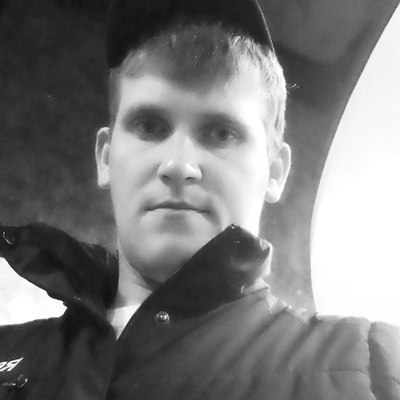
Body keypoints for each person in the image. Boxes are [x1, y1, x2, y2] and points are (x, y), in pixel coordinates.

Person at [0, 0, 399, 399]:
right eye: (150, 126)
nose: (178, 164)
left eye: (221, 133)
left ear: (275, 171)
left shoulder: (374, 367)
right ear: (105, 157)